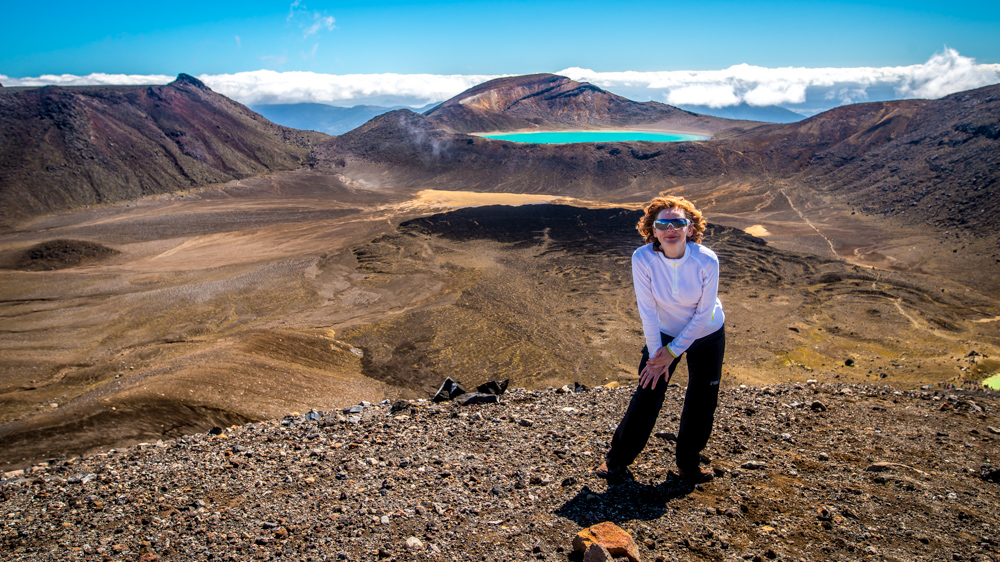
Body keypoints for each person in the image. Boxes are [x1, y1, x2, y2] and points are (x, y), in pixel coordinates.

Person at [596, 195, 726, 484]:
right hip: (664, 332)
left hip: (706, 333)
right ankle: (617, 459)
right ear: (652, 230)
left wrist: (673, 352)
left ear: (690, 228)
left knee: (702, 400)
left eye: (678, 223)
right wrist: (658, 356)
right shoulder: (642, 259)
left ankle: (689, 465)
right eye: (662, 224)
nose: (671, 229)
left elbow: (703, 313)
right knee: (648, 391)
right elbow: (647, 311)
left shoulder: (706, 260)